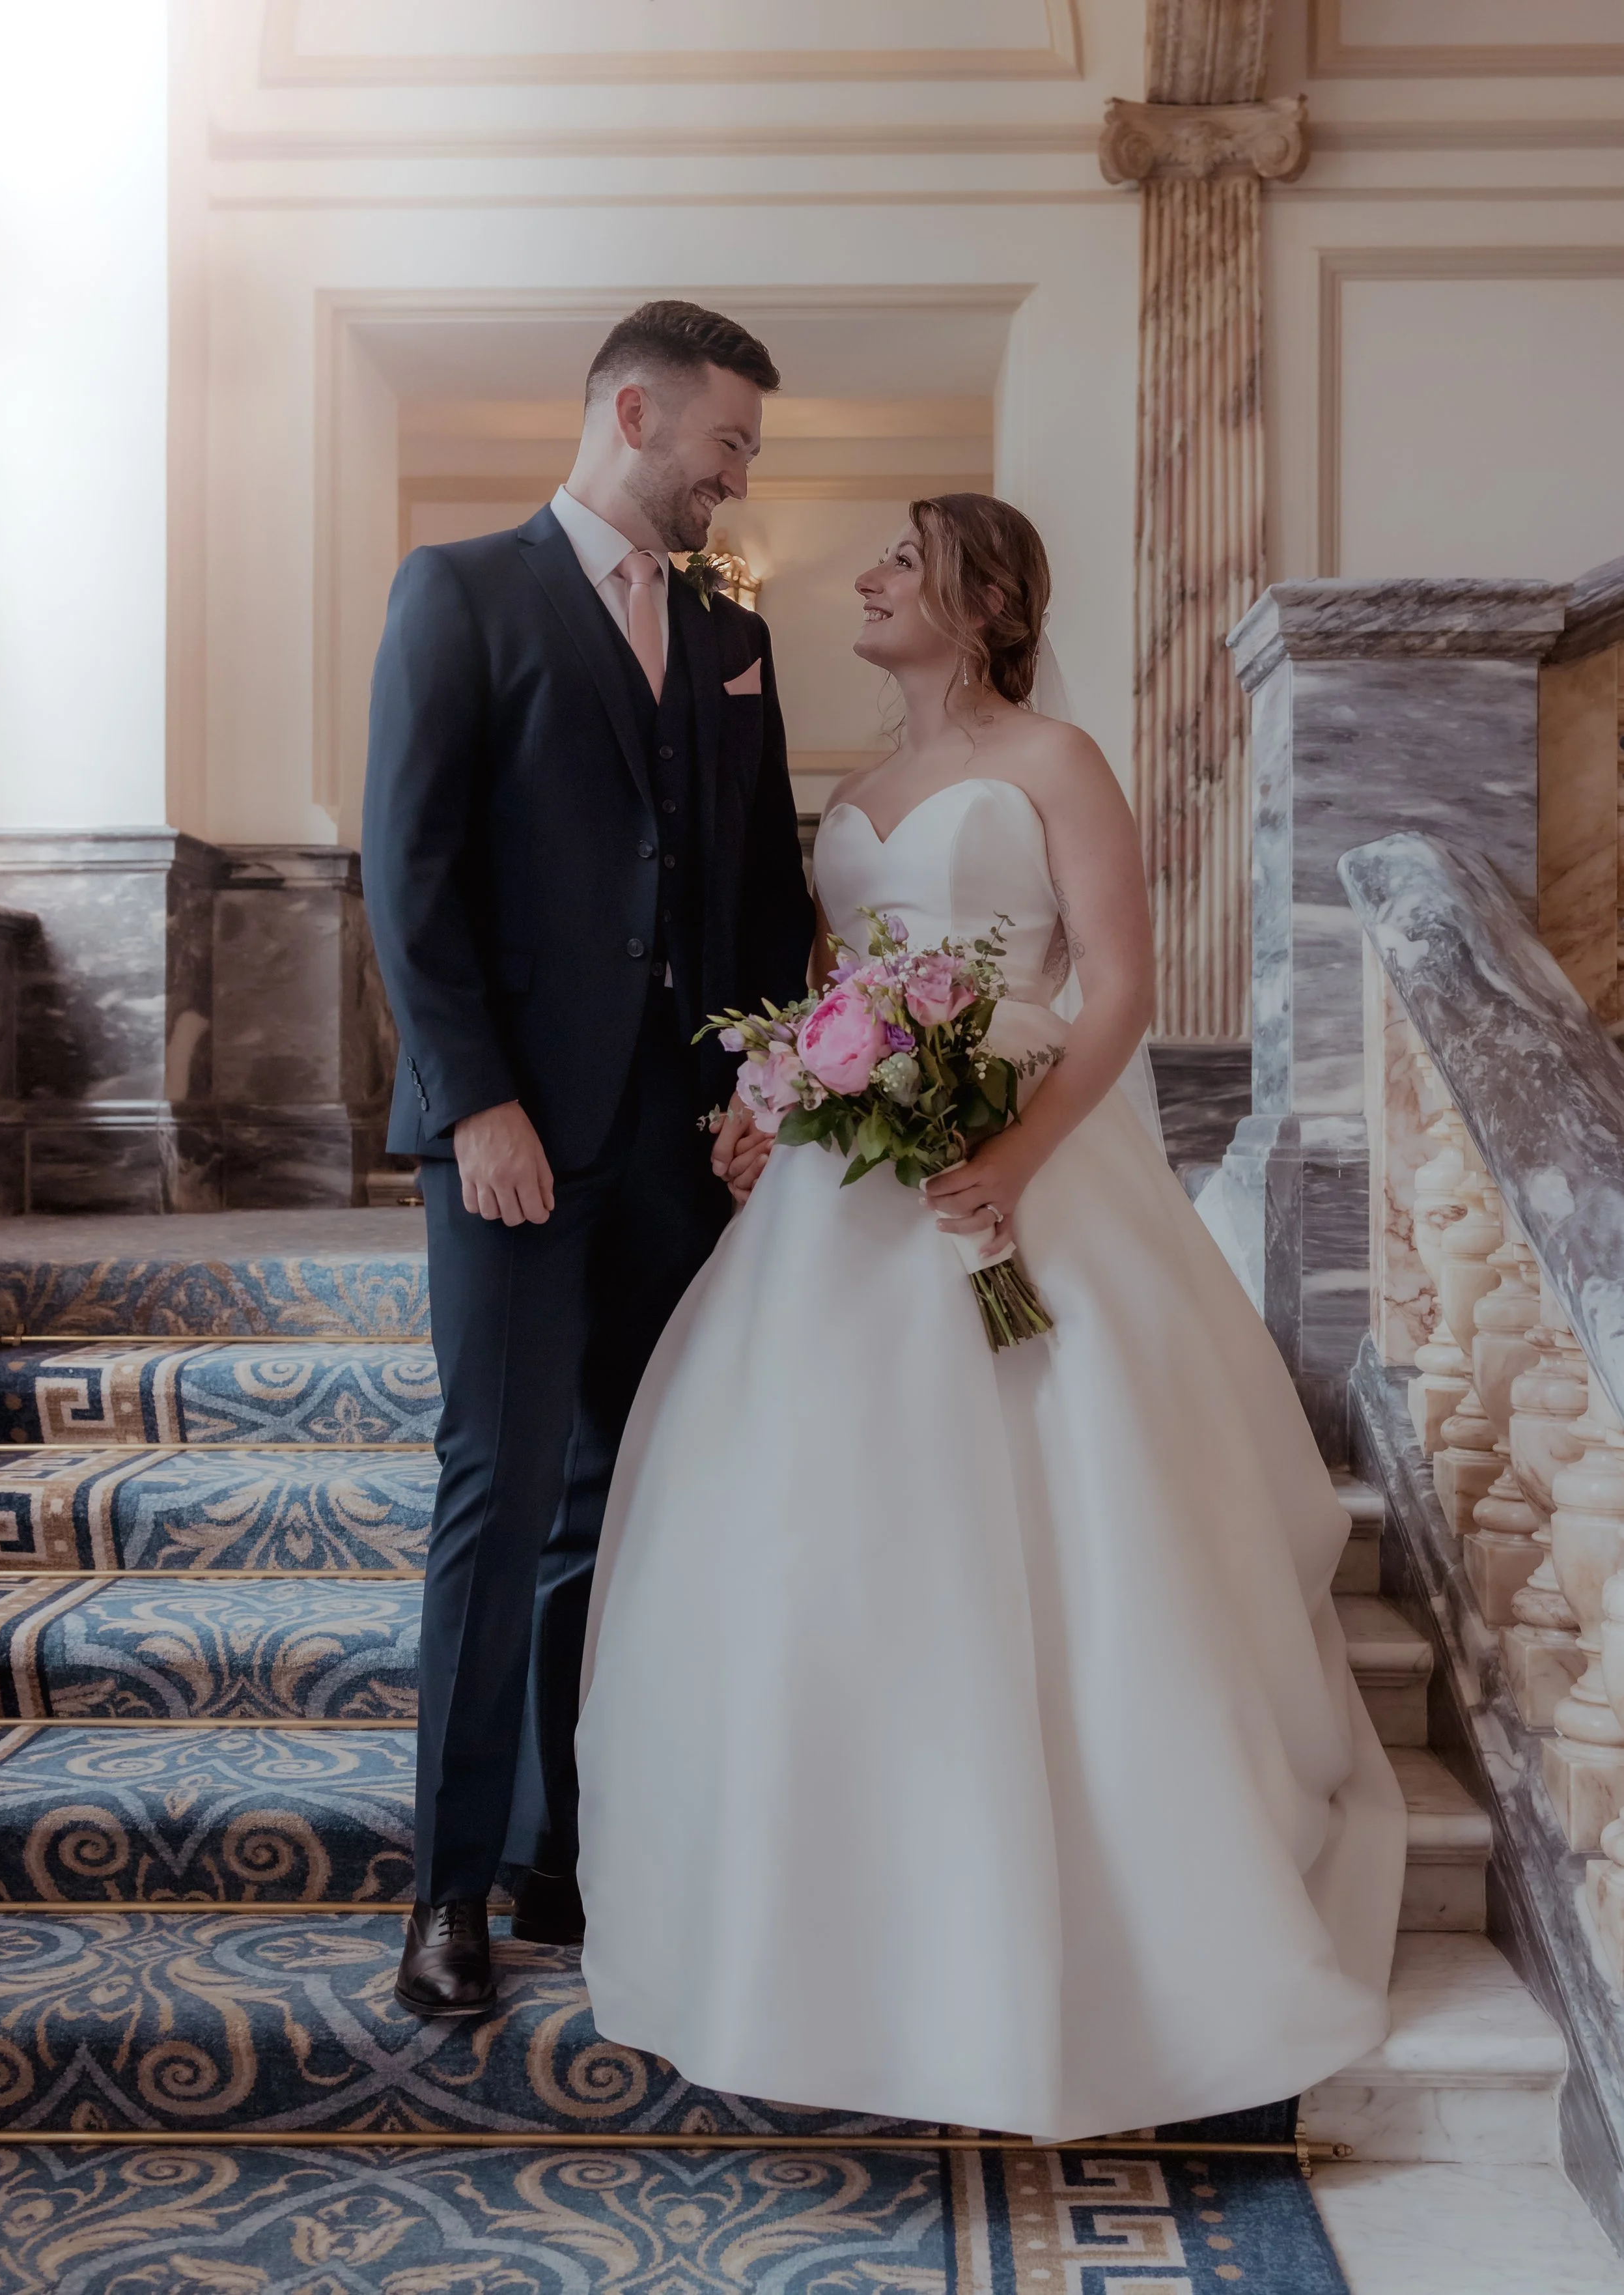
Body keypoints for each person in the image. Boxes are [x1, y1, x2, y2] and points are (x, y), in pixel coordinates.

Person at [574, 494, 1407, 2138]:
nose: (864, 580)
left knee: (1058, 1497)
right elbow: (829, 986)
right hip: (849, 1175)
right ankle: (820, 1914)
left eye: (896, 558)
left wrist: (1017, 1155)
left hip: (1025, 1157)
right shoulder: (855, 787)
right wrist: (770, 1089)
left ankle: (1111, 1910)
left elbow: (1116, 983)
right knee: (820, 1521)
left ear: (982, 596)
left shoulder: (1056, 760)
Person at [362, 302, 815, 2017]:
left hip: (680, 1155)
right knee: (495, 1500)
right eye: (727, 444)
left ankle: (567, 1849)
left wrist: (757, 1084)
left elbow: (754, 893)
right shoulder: (458, 592)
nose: (736, 474)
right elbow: (406, 877)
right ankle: (447, 1891)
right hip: (510, 1145)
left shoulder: (726, 636)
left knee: (624, 1503)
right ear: (635, 410)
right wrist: (473, 1102)